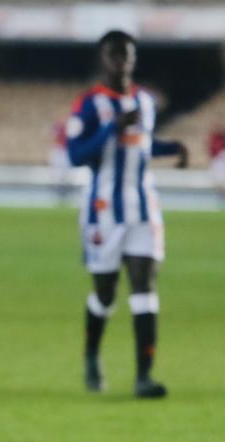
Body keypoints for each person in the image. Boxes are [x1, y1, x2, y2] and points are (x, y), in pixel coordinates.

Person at [65, 30, 187, 399]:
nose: (121, 62)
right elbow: (76, 155)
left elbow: (143, 146)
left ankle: (144, 377)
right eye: (114, 55)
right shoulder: (88, 104)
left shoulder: (145, 102)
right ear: (102, 59)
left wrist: (174, 148)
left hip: (144, 209)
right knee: (105, 293)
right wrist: (110, 129)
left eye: (127, 55)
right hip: (102, 212)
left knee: (145, 287)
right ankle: (90, 356)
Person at [207, 121, 225, 210]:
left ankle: (224, 200)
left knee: (221, 182)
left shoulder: (224, 138)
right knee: (217, 182)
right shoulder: (215, 137)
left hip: (220, 161)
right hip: (217, 160)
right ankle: (222, 199)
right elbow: (211, 149)